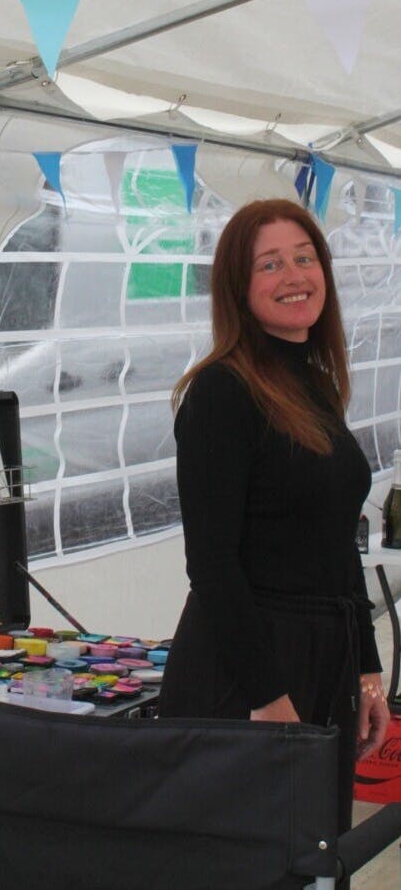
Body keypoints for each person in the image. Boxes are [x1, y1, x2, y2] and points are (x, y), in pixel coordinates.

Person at [158, 197, 389, 835]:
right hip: (247, 669)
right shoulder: (220, 393)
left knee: (313, 850)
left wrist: (367, 668)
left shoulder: (312, 385)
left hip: (325, 655)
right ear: (239, 287)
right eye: (269, 265)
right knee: (246, 858)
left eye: (304, 257)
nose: (293, 276)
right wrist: (266, 693)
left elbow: (339, 544)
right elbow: (211, 563)